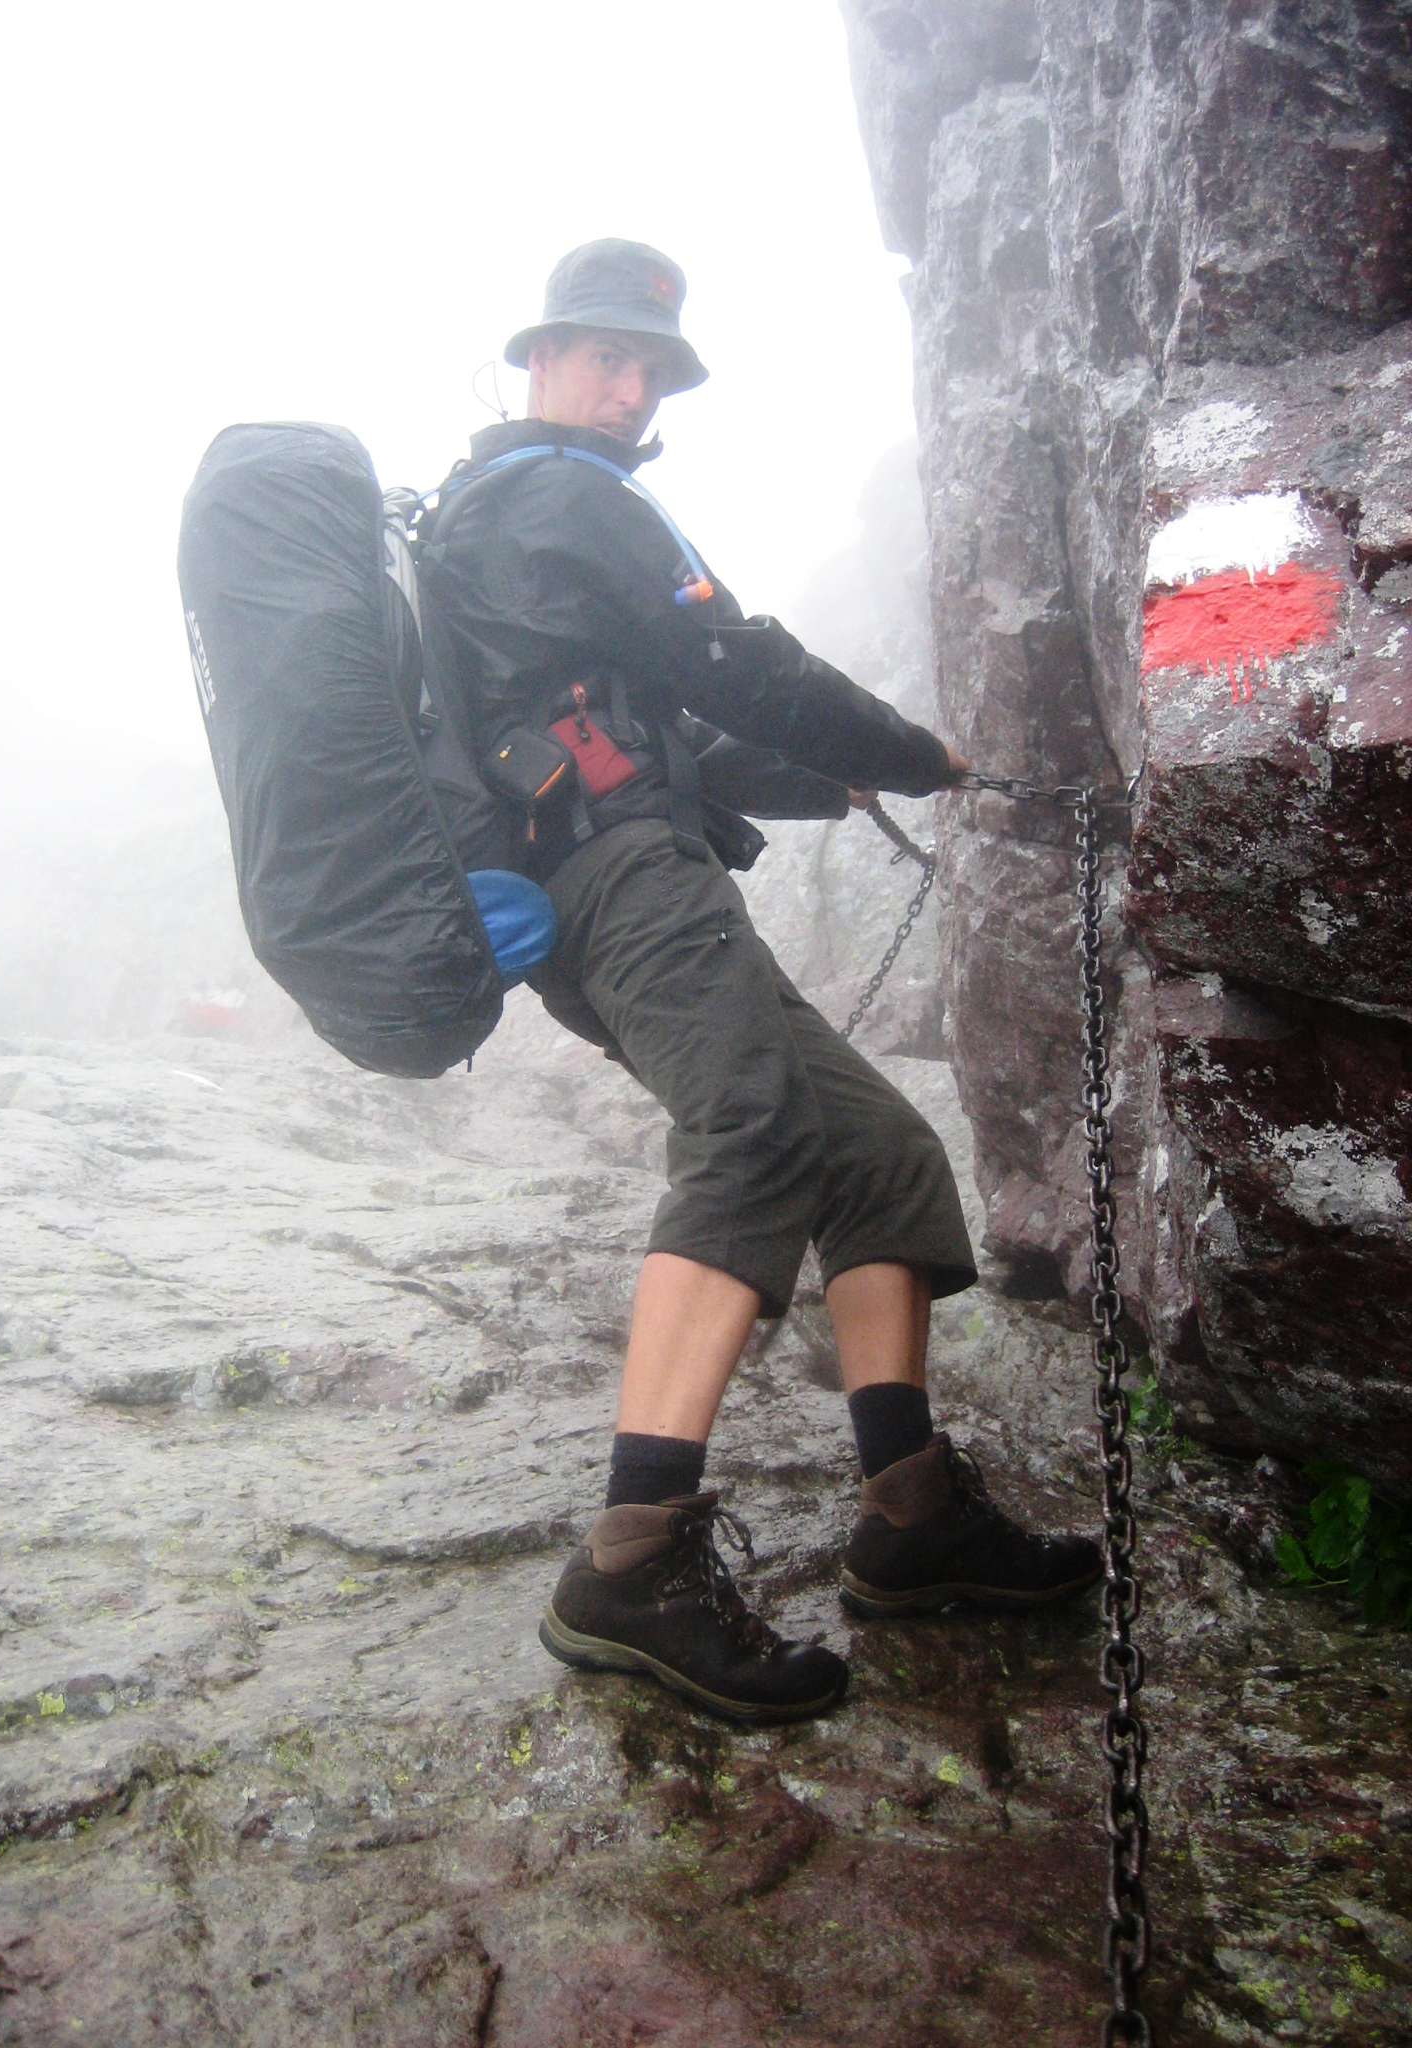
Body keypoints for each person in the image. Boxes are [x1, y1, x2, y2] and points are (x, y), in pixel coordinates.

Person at [426, 239, 1099, 1724]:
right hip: (616, 880)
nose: (627, 385)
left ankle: (914, 1516)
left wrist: (841, 784)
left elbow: (695, 728)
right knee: (752, 1130)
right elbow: (738, 658)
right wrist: (916, 754)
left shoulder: (517, 526)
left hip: (626, 862)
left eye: (648, 366)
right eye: (603, 355)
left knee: (878, 1153)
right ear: (535, 359)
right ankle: (633, 1558)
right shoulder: (560, 496)